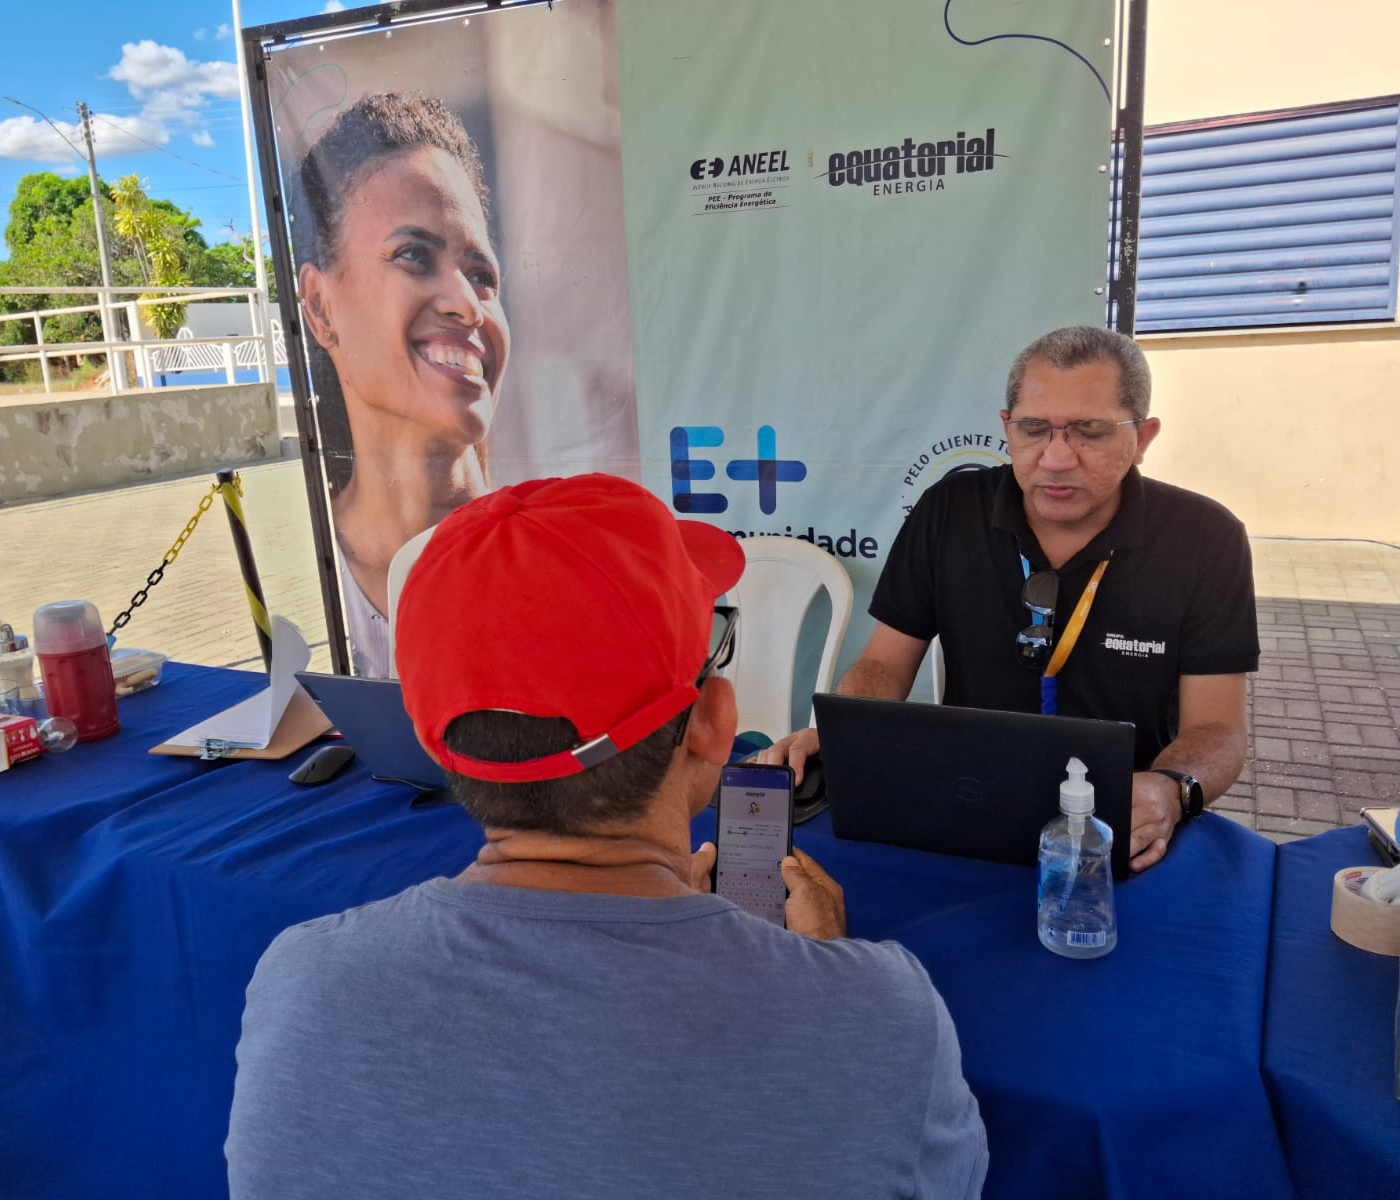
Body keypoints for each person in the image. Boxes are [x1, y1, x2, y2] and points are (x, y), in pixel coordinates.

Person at [226, 474, 988, 1199]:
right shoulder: (881, 1018)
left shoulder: (299, 986)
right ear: (717, 725)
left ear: (434, 744)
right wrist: (823, 982)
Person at [765, 326, 1258, 872]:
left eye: (1089, 432)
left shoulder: (1205, 537)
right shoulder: (950, 509)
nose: (1056, 458)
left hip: (1118, 827)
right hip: (963, 801)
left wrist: (1171, 790)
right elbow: (883, 662)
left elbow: (1217, 730)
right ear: (1007, 428)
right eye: (1033, 429)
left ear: (1142, 438)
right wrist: (843, 735)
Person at [294, 92, 511, 678]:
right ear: (319, 306)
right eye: (414, 255)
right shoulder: (304, 576)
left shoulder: (557, 563)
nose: (467, 305)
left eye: (481, 274)